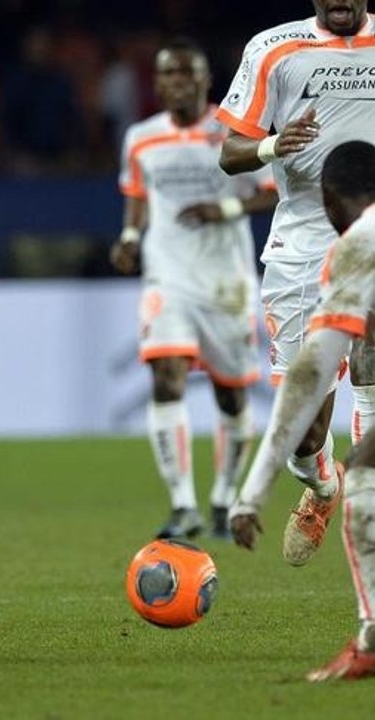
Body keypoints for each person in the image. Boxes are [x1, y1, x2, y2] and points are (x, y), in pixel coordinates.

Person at [218, 0, 375, 565]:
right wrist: (270, 145)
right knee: (304, 434)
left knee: (370, 370)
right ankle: (323, 483)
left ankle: (366, 508)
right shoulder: (272, 49)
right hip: (305, 247)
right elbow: (229, 153)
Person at [110, 38, 277, 540]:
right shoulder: (141, 137)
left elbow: (270, 193)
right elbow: (138, 195)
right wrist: (129, 237)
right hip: (168, 277)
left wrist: (221, 209)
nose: (179, 83)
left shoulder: (230, 134)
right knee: (167, 378)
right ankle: (183, 505)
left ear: (207, 81)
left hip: (226, 282)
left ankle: (224, 497)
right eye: (169, 75)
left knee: (230, 396)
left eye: (189, 74)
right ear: (157, 83)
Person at [225, 140, 375, 681]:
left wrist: (251, 493)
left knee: (365, 485)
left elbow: (309, 378)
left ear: (329, 202)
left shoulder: (357, 247)